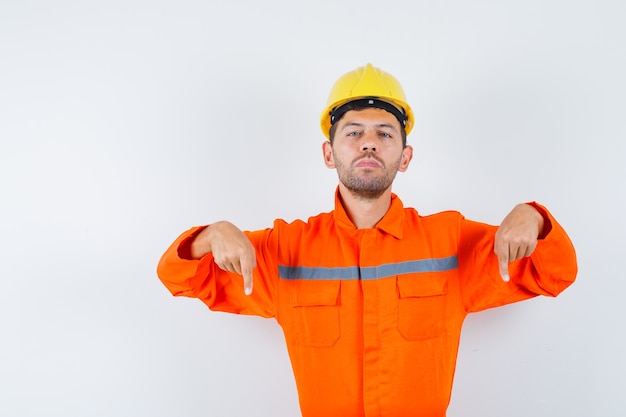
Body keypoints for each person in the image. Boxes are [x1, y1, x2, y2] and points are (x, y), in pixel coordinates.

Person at [157, 63, 577, 417]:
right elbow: (180, 278)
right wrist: (211, 235)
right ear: (329, 153)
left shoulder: (450, 243)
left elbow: (554, 273)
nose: (370, 142)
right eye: (353, 132)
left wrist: (534, 218)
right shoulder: (285, 251)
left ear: (405, 157)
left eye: (385, 133)